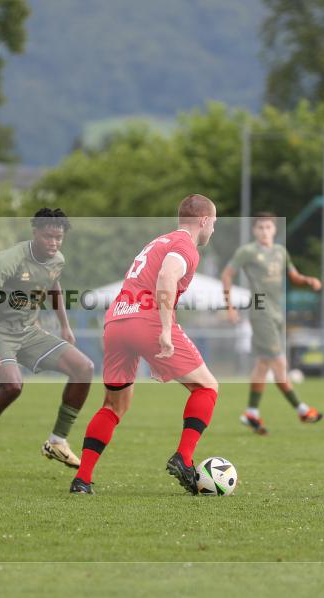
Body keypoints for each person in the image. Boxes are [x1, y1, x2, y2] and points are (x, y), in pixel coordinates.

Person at [70, 194, 220, 495]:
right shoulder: (185, 247)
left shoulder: (159, 241)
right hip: (147, 319)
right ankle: (184, 458)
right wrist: (164, 330)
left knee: (113, 405)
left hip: (116, 320)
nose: (213, 230)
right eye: (213, 223)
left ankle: (82, 480)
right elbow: (166, 276)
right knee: (207, 387)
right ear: (203, 220)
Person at [0, 208, 94, 479]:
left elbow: (54, 287)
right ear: (35, 232)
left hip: (29, 331)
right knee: (12, 387)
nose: (54, 243)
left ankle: (57, 441)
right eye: (48, 237)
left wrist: (65, 326)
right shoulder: (9, 259)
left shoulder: (57, 259)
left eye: (59, 238)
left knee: (85, 368)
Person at [221, 213, 323, 434]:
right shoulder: (247, 252)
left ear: (274, 230)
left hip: (278, 312)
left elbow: (293, 276)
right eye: (260, 227)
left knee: (263, 365)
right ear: (254, 230)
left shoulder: (280, 252)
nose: (264, 231)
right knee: (278, 364)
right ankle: (302, 409)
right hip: (261, 311)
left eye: (268, 227)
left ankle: (251, 413)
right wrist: (229, 307)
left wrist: (308, 280)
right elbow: (227, 275)